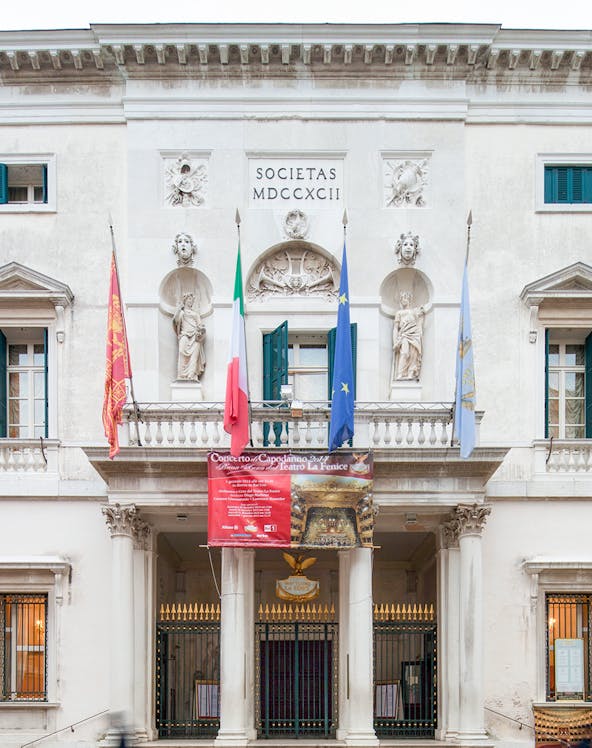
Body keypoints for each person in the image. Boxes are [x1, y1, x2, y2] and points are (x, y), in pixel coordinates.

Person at [173, 292, 206, 380]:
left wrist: (201, 331)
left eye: (192, 300)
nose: (191, 301)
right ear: (185, 300)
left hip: (195, 337)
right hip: (184, 335)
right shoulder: (181, 313)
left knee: (194, 357)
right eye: (189, 299)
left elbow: (200, 325)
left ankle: (192, 375)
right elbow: (175, 322)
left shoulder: (195, 314)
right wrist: (178, 310)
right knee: (181, 351)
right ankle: (181, 375)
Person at [393, 291, 424, 380]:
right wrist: (395, 342)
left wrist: (421, 311)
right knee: (405, 353)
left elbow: (420, 320)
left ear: (409, 299)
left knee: (414, 354)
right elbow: (395, 328)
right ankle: (400, 374)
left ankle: (411, 373)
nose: (403, 300)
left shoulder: (414, 311)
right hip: (404, 335)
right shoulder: (399, 313)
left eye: (405, 298)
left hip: (415, 334)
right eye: (402, 298)